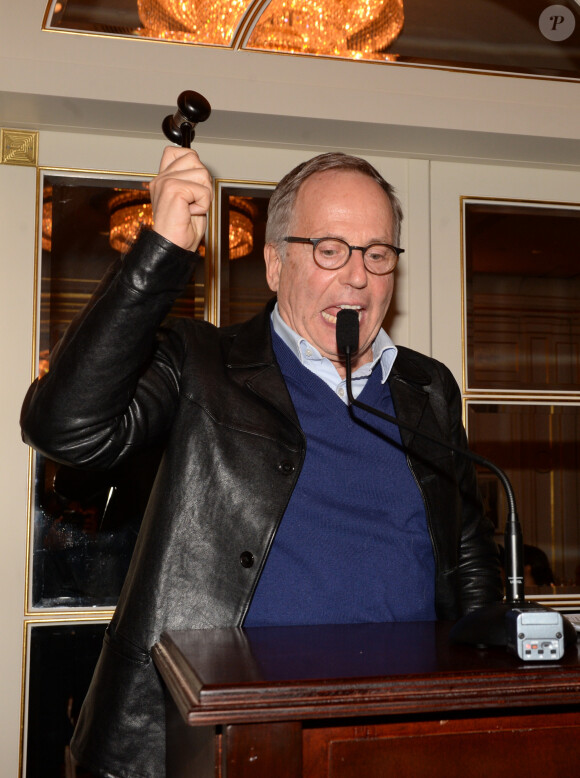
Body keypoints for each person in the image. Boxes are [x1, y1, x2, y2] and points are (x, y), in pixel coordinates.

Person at [21, 147, 502, 778]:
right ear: (275, 264)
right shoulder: (199, 361)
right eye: (330, 248)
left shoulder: (428, 388)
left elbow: (466, 550)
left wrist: (484, 694)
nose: (358, 276)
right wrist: (160, 251)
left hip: (394, 738)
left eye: (377, 253)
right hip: (210, 740)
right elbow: (63, 427)